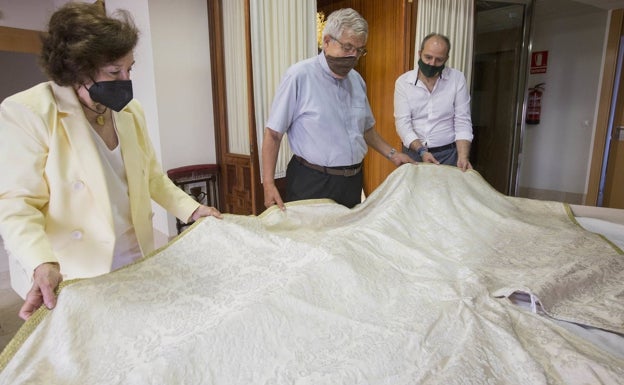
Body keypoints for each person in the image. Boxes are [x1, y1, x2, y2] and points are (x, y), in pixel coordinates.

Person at [0, 2, 221, 320]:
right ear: (78, 70)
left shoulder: (130, 112)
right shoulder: (30, 112)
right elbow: (17, 204)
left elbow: (152, 177)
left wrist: (193, 209)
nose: (126, 80)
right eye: (114, 72)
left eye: (130, 69)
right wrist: (40, 261)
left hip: (134, 253)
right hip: (76, 267)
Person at [262, 8, 414, 210]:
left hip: (351, 182)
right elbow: (273, 134)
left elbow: (366, 129)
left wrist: (393, 154)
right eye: (347, 47)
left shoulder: (357, 80)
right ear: (326, 42)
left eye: (359, 50)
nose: (353, 56)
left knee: (344, 240)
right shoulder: (299, 76)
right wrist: (269, 183)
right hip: (312, 181)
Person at [394, 33, 474, 171]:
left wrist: (463, 157)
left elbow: (462, 120)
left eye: (439, 60)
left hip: (448, 155)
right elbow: (403, 124)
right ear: (420, 53)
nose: (432, 63)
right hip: (414, 154)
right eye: (428, 57)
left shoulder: (457, 79)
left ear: (446, 59)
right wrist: (422, 151)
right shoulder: (403, 82)